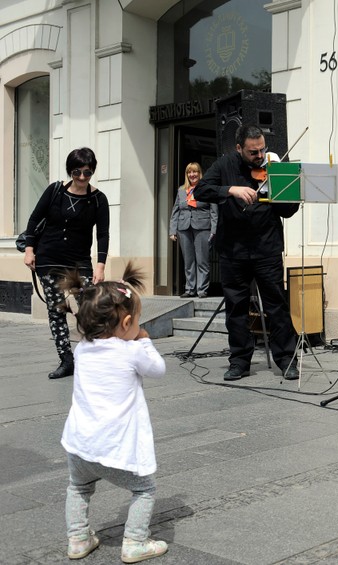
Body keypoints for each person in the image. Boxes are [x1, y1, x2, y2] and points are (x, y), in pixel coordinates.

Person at [58, 262, 168, 563]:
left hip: (79, 444)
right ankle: (135, 542)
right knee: (144, 489)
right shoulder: (131, 351)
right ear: (126, 322)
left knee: (78, 487)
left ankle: (78, 539)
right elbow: (158, 369)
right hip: (114, 446)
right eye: (137, 321)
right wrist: (144, 340)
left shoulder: (82, 349)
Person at [194, 124, 300, 381]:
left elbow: (288, 211)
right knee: (236, 308)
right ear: (239, 148)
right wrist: (230, 190)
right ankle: (240, 361)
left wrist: (282, 191)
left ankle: (287, 359)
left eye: (262, 149)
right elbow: (200, 190)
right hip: (233, 250)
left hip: (267, 247)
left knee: (276, 305)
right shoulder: (225, 165)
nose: (260, 156)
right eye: (253, 152)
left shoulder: (273, 166)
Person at [23, 147, 110, 380]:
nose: (82, 177)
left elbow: (103, 234)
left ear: (92, 172)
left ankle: (94, 357)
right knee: (56, 310)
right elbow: (34, 218)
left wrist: (100, 265)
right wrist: (30, 250)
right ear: (70, 171)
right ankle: (66, 360)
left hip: (79, 263)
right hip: (49, 259)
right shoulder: (55, 190)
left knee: (89, 310)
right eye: (76, 172)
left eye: (87, 172)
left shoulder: (98, 199)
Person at [169, 162, 217, 298]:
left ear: (199, 173)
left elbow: (214, 211)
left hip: (203, 227)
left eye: (195, 171)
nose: (192, 174)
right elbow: (175, 211)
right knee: (188, 261)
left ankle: (202, 289)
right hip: (184, 228)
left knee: (202, 260)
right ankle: (190, 289)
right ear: (187, 174)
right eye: (189, 172)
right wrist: (172, 230)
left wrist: (214, 230)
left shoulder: (207, 188)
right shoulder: (181, 190)